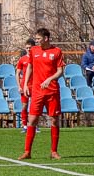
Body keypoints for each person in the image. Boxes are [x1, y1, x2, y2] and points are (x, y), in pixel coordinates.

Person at [19, 28, 65, 161]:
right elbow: (30, 67)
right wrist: (26, 84)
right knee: (32, 120)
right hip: (37, 92)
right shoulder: (34, 51)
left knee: (55, 120)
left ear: (46, 38)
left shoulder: (56, 52)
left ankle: (54, 151)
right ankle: (27, 152)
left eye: (38, 39)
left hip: (52, 91)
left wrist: (50, 79)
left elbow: (60, 71)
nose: (37, 41)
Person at [15, 38, 36, 132]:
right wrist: (19, 85)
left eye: (30, 48)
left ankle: (34, 125)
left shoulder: (37, 58)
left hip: (35, 85)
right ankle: (24, 125)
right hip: (25, 85)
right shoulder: (22, 59)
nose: (28, 49)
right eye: (27, 48)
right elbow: (18, 73)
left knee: (34, 106)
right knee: (24, 105)